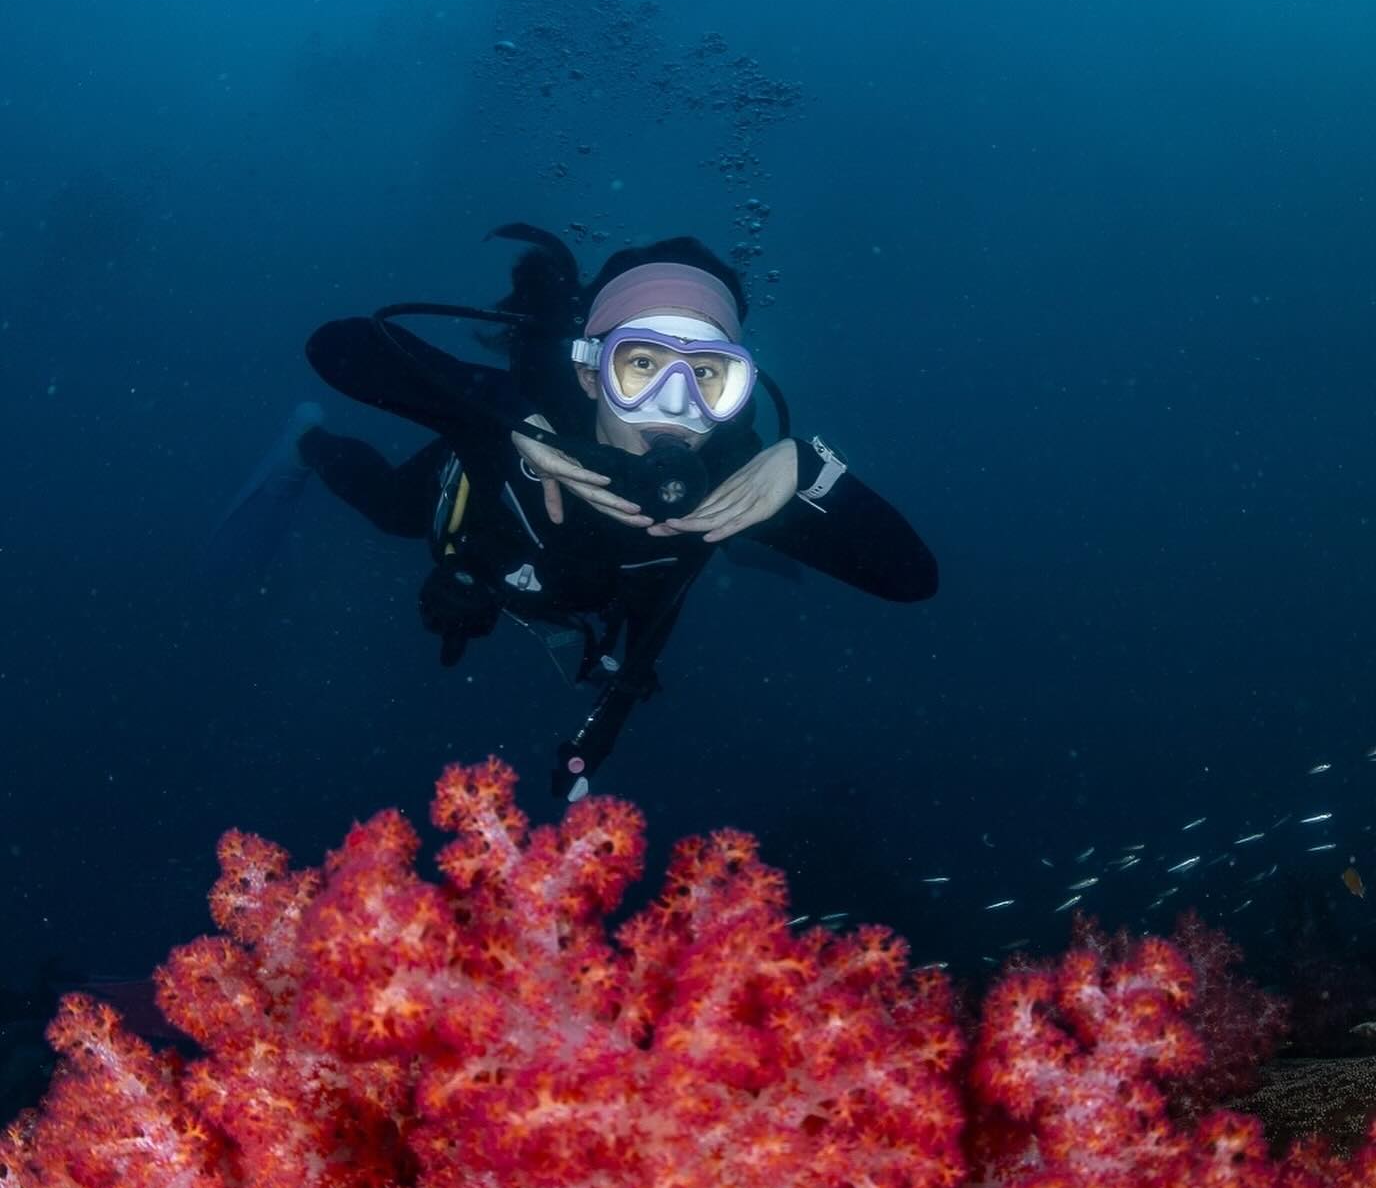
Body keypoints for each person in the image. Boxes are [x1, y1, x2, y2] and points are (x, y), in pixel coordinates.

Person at [294, 225, 937, 796]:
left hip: (592, 595)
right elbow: (335, 346)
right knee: (391, 511)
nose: (674, 405)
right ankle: (308, 443)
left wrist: (813, 471)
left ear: (738, 390)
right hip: (477, 524)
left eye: (708, 374)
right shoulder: (521, 417)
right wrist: (503, 413)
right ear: (590, 374)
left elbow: (912, 578)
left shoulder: (739, 481)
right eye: (642, 365)